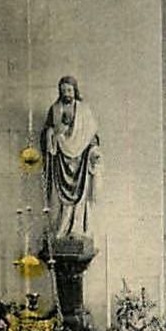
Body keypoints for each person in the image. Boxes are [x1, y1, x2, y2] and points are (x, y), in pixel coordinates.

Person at [40, 76, 101, 241]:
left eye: (69, 90)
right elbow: (48, 131)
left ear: (75, 91)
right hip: (61, 161)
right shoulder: (55, 109)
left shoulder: (84, 110)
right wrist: (53, 134)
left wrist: (94, 152)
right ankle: (61, 229)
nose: (66, 93)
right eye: (63, 90)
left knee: (79, 200)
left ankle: (77, 229)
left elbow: (92, 137)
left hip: (80, 162)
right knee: (61, 201)